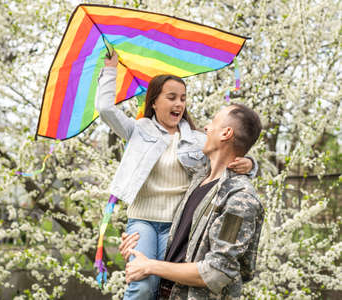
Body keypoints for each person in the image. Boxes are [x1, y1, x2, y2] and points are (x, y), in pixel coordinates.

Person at [95, 52, 257, 299]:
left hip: (176, 224)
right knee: (143, 284)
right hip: (143, 221)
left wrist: (251, 164)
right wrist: (110, 70)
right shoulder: (138, 131)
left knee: (164, 287)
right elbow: (106, 109)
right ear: (154, 102)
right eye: (171, 97)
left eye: (183, 98)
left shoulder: (197, 140)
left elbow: (229, 155)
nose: (179, 104)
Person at [119, 103, 264, 300]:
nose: (206, 127)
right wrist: (139, 246)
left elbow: (217, 271)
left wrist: (151, 266)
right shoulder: (197, 178)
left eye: (213, 122)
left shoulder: (240, 200)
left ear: (226, 133)